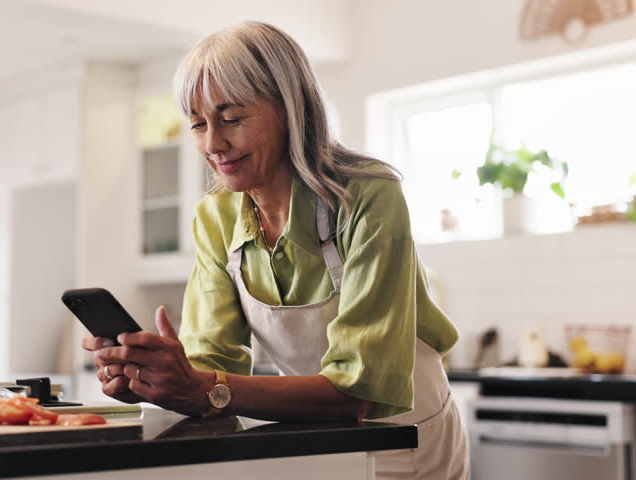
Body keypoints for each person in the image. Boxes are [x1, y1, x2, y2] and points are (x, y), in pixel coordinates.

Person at [82, 21, 469, 479]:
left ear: (290, 109)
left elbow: (356, 389)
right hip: (315, 439)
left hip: (407, 437)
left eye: (231, 119)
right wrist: (154, 380)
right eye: (198, 124)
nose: (212, 144)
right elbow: (211, 366)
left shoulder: (368, 197)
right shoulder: (217, 217)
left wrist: (202, 386)